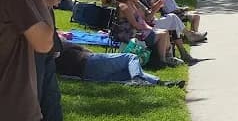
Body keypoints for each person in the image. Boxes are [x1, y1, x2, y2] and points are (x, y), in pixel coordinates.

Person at [55, 41, 184, 87]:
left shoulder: (49, 57)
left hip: (86, 74)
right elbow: (85, 50)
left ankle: (163, 83)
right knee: (130, 57)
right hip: (89, 62)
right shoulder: (58, 44)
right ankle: (138, 80)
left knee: (130, 71)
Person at [116, 0, 178, 66]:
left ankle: (167, 57)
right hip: (130, 34)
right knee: (163, 34)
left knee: (165, 32)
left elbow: (142, 20)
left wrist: (149, 28)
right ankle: (162, 60)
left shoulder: (132, 4)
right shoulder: (124, 6)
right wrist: (149, 29)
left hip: (138, 30)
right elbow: (135, 24)